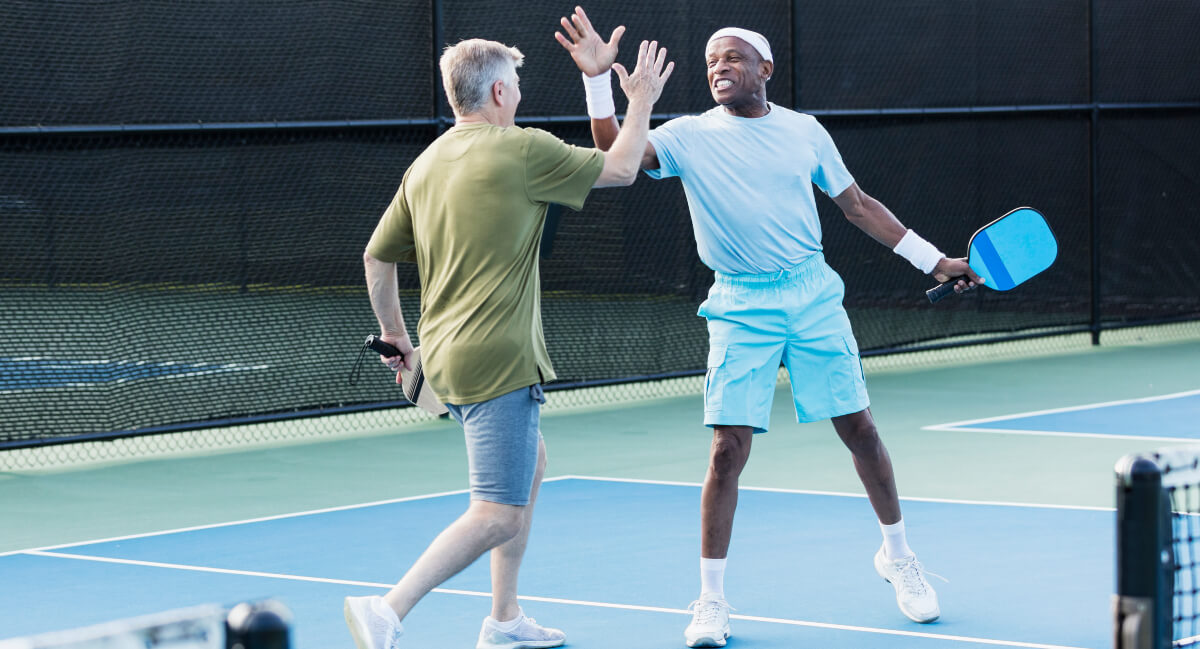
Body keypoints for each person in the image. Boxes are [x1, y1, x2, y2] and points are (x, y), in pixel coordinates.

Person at [556, 8, 983, 647]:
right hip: (739, 304)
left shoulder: (806, 132)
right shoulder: (688, 135)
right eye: (709, 63)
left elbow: (858, 206)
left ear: (765, 70)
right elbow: (616, 153)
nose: (718, 68)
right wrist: (597, 84)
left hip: (812, 295)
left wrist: (937, 260)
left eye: (731, 58)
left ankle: (898, 555)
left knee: (860, 429)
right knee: (727, 450)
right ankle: (710, 602)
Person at [345, 36, 673, 649]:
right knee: (496, 511)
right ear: (499, 92)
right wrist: (640, 99)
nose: (519, 96)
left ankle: (504, 620)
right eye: (516, 87)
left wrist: (396, 337)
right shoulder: (521, 150)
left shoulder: (426, 163)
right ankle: (387, 609)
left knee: (531, 465)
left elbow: (377, 255)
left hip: (445, 356)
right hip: (498, 359)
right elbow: (625, 168)